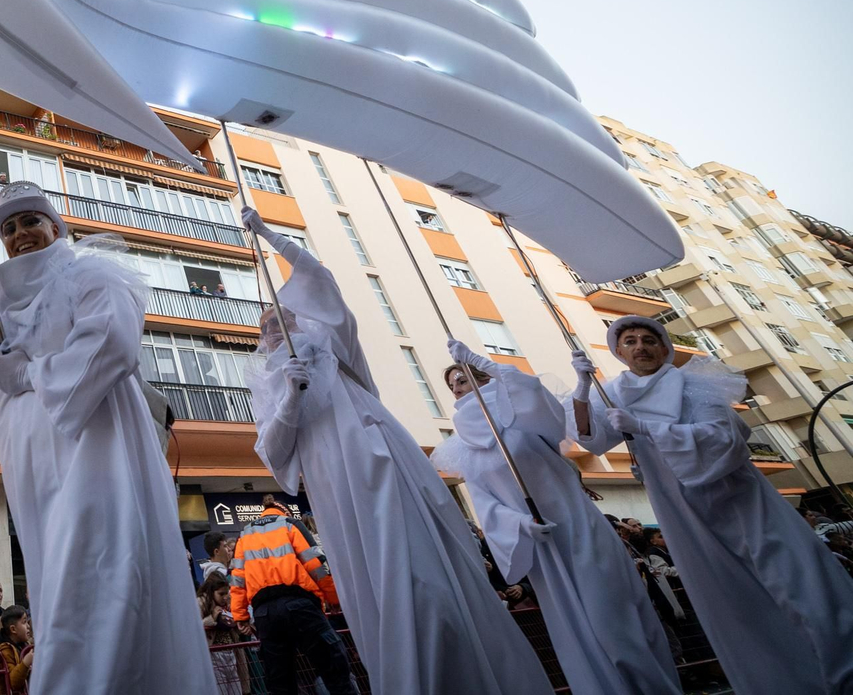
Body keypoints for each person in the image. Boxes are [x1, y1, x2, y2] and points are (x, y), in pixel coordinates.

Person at [0, 182, 215, 694]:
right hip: (31, 464)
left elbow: (111, 343)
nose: (20, 235)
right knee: (54, 576)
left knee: (99, 568)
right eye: (9, 228)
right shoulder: (0, 304)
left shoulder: (92, 274)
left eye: (30, 222)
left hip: (94, 446)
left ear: (56, 227)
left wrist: (31, 373)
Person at [239, 208, 553, 695]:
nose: (275, 327)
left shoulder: (336, 351)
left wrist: (270, 236)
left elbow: (319, 277)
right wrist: (290, 400)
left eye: (284, 317)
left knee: (417, 570)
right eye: (267, 326)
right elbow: (274, 454)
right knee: (374, 580)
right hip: (331, 479)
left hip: (378, 459)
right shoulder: (270, 386)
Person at [570, 314, 853, 695]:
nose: (640, 347)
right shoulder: (614, 394)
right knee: (731, 602)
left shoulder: (691, 384)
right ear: (619, 351)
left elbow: (723, 440)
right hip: (679, 508)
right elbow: (592, 442)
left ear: (664, 346)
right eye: (631, 341)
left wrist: (646, 428)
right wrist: (582, 388)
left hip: (736, 496)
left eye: (648, 339)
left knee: (800, 582)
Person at [434, 340, 681, 695]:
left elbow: (532, 393)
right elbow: (485, 504)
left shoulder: (521, 415)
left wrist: (482, 360)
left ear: (483, 377)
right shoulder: (464, 448)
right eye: (453, 383)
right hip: (543, 546)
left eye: (465, 377)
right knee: (577, 627)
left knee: (613, 616)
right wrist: (521, 524)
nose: (459, 386)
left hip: (579, 528)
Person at [226, 498, 352, 695]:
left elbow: (237, 580)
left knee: (280, 681)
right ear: (283, 512)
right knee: (333, 666)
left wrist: (240, 616)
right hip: (300, 605)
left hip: (265, 614)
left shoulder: (244, 535)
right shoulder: (291, 524)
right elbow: (316, 566)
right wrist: (334, 598)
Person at [197, 573, 248, 695]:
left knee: (236, 689)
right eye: (221, 594)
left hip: (232, 652)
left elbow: (235, 624)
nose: (225, 597)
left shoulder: (228, 602)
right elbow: (194, 628)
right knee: (221, 689)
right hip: (214, 654)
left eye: (227, 593)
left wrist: (239, 625)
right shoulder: (201, 603)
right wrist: (212, 618)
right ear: (211, 592)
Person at [0, 606, 32, 695]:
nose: (28, 626)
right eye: (24, 622)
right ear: (13, 629)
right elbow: (12, 682)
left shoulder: (25, 645)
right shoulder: (4, 651)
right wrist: (25, 663)